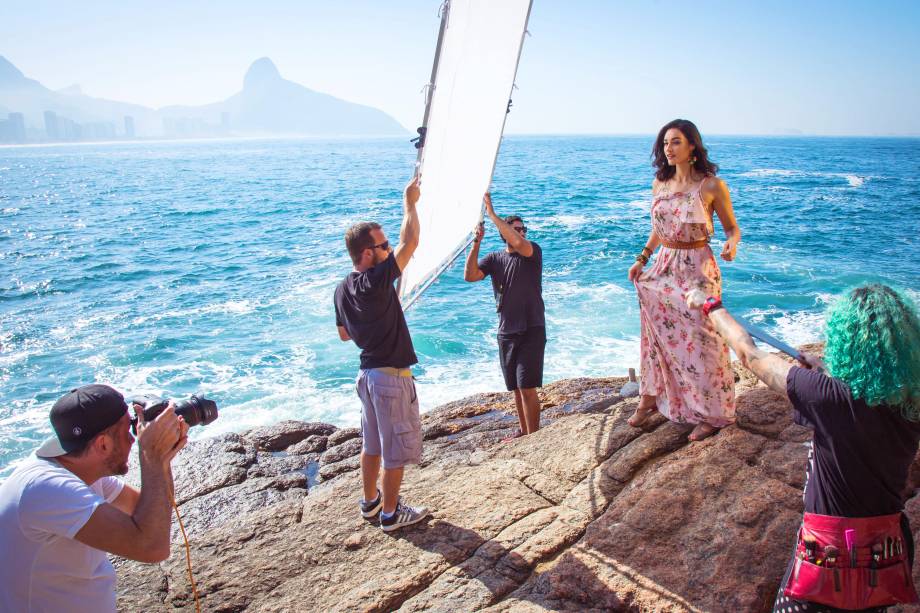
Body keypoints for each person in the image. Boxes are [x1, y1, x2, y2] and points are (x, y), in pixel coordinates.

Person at [686, 284, 920, 612]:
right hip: (884, 551)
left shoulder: (827, 397)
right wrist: (823, 371)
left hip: (827, 554)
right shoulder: (910, 400)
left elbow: (750, 355)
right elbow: (868, 397)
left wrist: (710, 305)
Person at [0, 384, 188, 613]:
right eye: (128, 431)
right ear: (103, 444)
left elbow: (147, 511)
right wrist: (152, 456)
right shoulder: (46, 488)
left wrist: (162, 455)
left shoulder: (78, 470)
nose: (134, 439)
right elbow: (153, 548)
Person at [627, 118, 742, 441]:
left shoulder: (711, 186)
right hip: (664, 264)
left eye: (676, 141)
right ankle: (650, 396)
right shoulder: (660, 183)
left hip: (697, 267)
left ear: (692, 145)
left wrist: (731, 244)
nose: (669, 148)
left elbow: (732, 228)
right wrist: (642, 258)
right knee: (656, 335)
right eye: (665, 143)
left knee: (705, 340)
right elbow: (658, 228)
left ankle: (713, 412)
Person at [334, 175, 430, 532]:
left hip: (366, 376)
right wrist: (410, 202)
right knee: (394, 450)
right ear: (367, 253)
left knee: (372, 444)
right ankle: (390, 514)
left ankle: (370, 502)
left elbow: (344, 334)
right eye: (383, 245)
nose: (389, 249)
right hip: (389, 377)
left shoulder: (341, 289)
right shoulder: (375, 280)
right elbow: (412, 241)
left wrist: (371, 322)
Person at [464, 192, 546, 440]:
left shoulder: (532, 251)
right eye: (516, 229)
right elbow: (470, 275)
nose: (521, 233)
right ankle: (523, 432)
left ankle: (534, 438)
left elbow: (520, 244)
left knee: (527, 386)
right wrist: (476, 243)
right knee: (516, 389)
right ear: (504, 233)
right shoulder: (495, 258)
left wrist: (492, 214)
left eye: (523, 229)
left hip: (532, 328)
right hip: (507, 331)